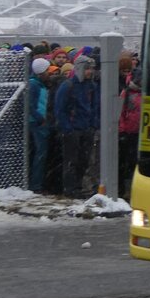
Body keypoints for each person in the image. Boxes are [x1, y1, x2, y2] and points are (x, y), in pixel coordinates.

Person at [54, 54, 101, 198]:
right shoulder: (68, 86)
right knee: (71, 161)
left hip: (86, 129)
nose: (90, 72)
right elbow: (60, 109)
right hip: (73, 130)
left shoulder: (92, 87)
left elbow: (94, 107)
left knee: (84, 161)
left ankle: (79, 187)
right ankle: (70, 189)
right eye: (87, 69)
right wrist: (68, 128)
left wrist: (93, 125)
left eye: (92, 69)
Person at [27, 57, 52, 191]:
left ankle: (37, 182)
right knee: (40, 153)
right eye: (47, 70)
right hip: (37, 123)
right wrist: (40, 118)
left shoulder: (38, 84)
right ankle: (36, 184)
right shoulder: (34, 85)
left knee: (40, 153)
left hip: (38, 121)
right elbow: (31, 106)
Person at [118, 66, 143, 197]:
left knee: (135, 162)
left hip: (140, 133)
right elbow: (120, 113)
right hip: (128, 133)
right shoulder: (126, 93)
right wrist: (122, 131)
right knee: (127, 162)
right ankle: (125, 190)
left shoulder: (145, 92)